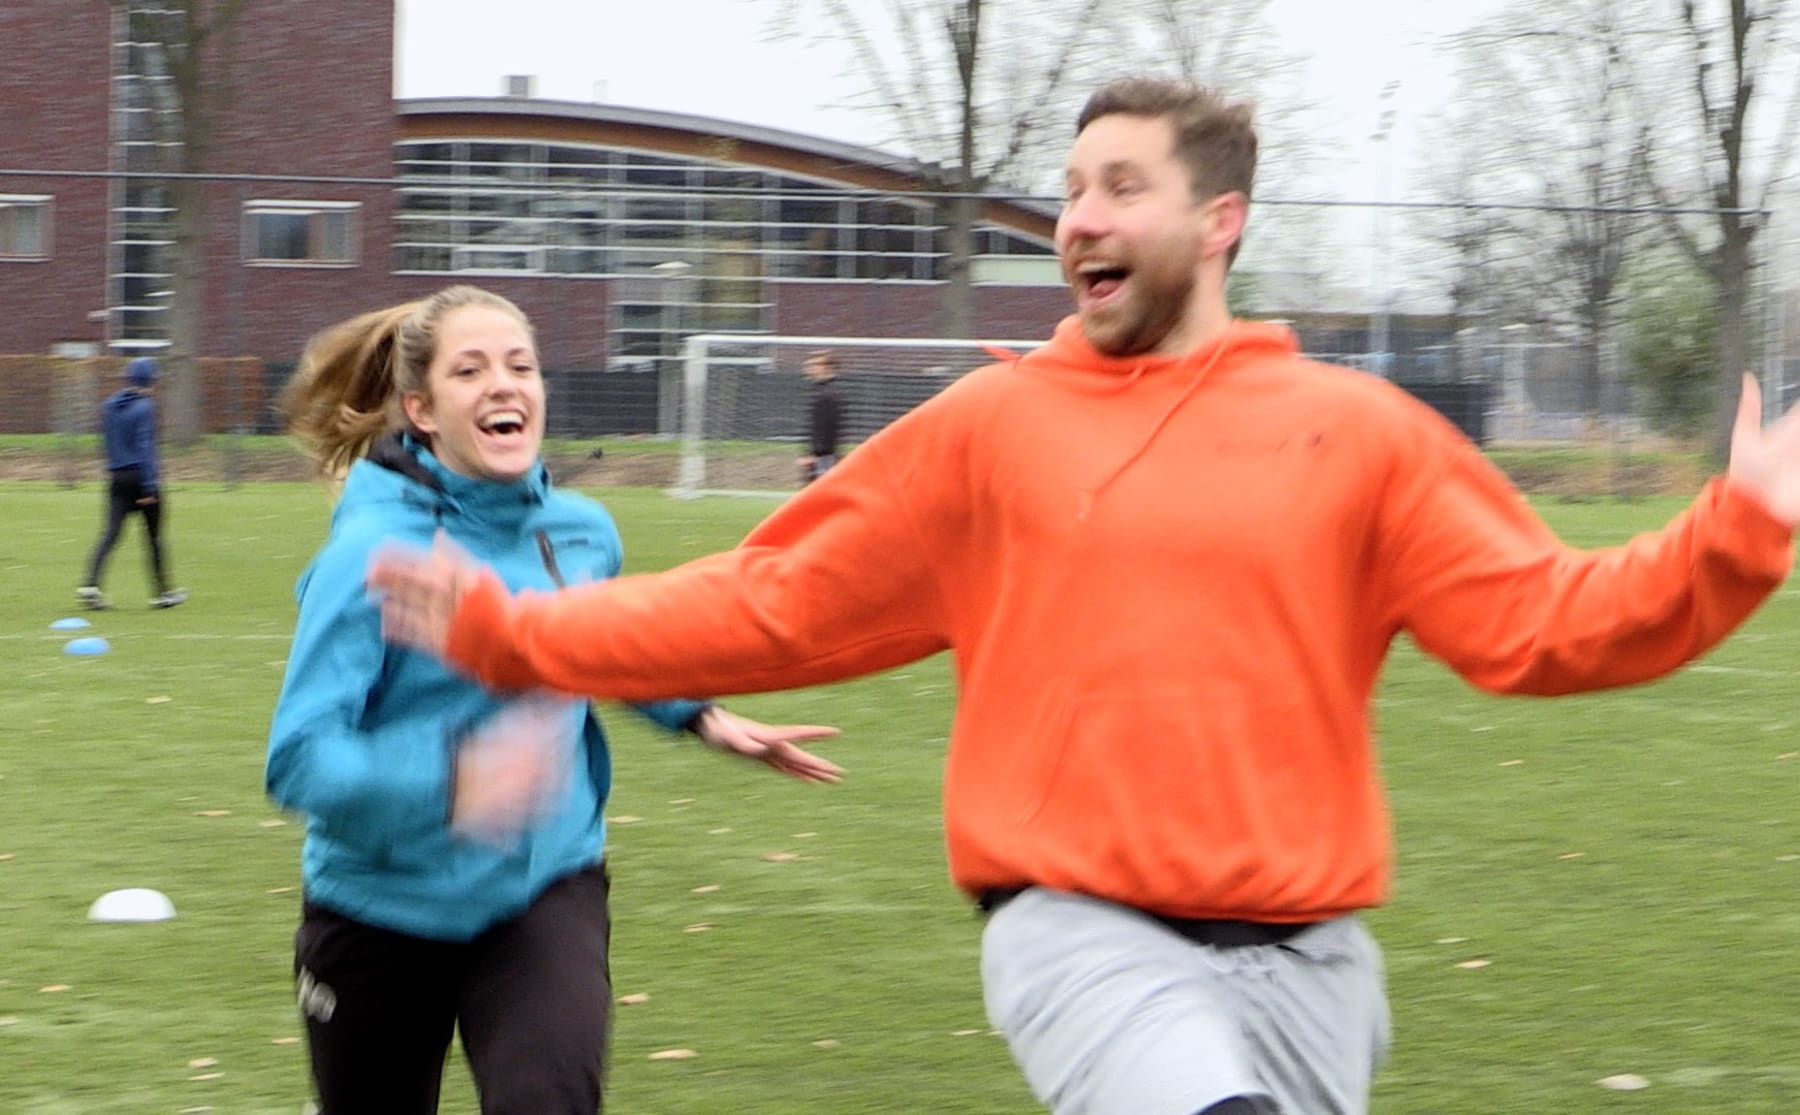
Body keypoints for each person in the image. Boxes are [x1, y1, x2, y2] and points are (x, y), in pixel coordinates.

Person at [368, 81, 1800, 1115]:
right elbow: (773, 599)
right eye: (1070, 190)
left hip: (1314, 962)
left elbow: (1546, 618)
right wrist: (512, 629)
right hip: (1079, 928)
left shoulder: (1358, 431)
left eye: (1121, 186)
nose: (1078, 219)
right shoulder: (993, 428)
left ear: (1219, 218)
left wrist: (1733, 531)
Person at [267, 284, 841, 1115]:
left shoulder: (581, 531)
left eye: (520, 365)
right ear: (422, 409)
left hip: (544, 887)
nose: (504, 384)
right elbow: (300, 758)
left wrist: (702, 713)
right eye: (471, 370)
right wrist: (451, 787)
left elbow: (600, 647)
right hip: (377, 911)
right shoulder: (373, 553)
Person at [77, 356, 187, 610]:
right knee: (154, 537)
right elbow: (145, 446)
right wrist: (149, 486)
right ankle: (162, 593)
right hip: (140, 476)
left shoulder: (109, 406)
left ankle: (91, 585)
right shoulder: (146, 407)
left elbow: (105, 442)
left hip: (117, 477)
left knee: (111, 533)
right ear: (150, 381)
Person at [796, 349, 843, 484]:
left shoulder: (828, 395)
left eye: (815, 365)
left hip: (824, 459)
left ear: (828, 368)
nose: (810, 369)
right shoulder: (821, 392)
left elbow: (828, 429)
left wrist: (815, 455)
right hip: (823, 457)